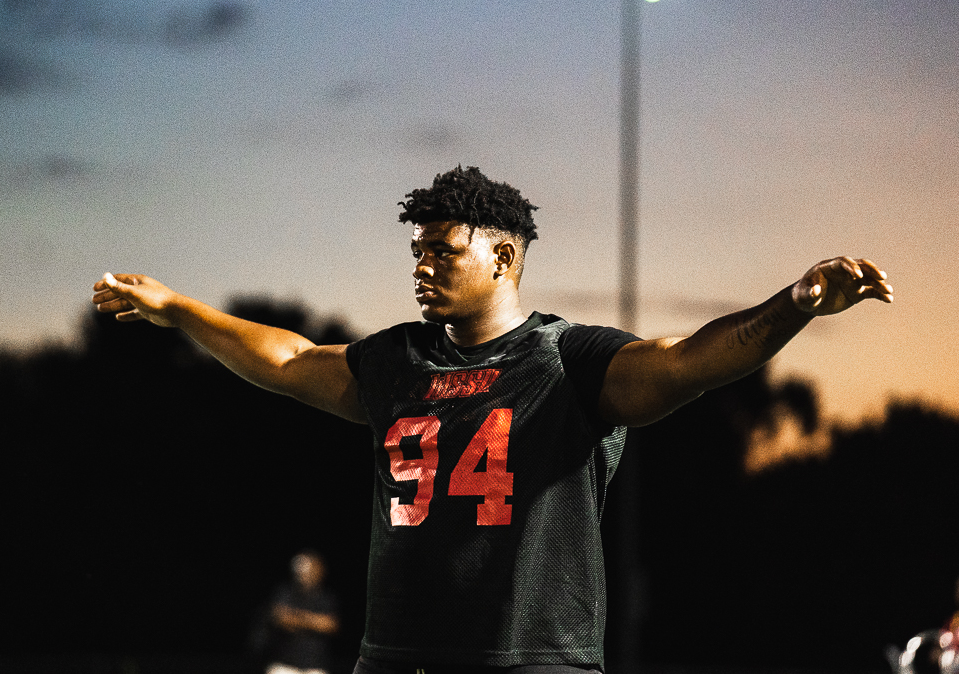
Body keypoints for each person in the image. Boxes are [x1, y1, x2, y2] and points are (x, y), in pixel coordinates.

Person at [91, 165, 893, 674]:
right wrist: (179, 311)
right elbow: (288, 358)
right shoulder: (397, 360)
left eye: (442, 249)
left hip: (529, 662)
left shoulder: (566, 360)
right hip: (396, 657)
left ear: (503, 256)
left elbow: (687, 361)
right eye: (416, 250)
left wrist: (792, 306)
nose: (421, 265)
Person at [257, 551, 340, 674]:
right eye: (299, 569)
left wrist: (297, 618)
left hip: (315, 666)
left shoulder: (326, 597)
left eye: (307, 569)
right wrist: (314, 622)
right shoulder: (284, 592)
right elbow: (280, 618)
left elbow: (331, 625)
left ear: (319, 570)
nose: (302, 573)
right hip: (283, 664)